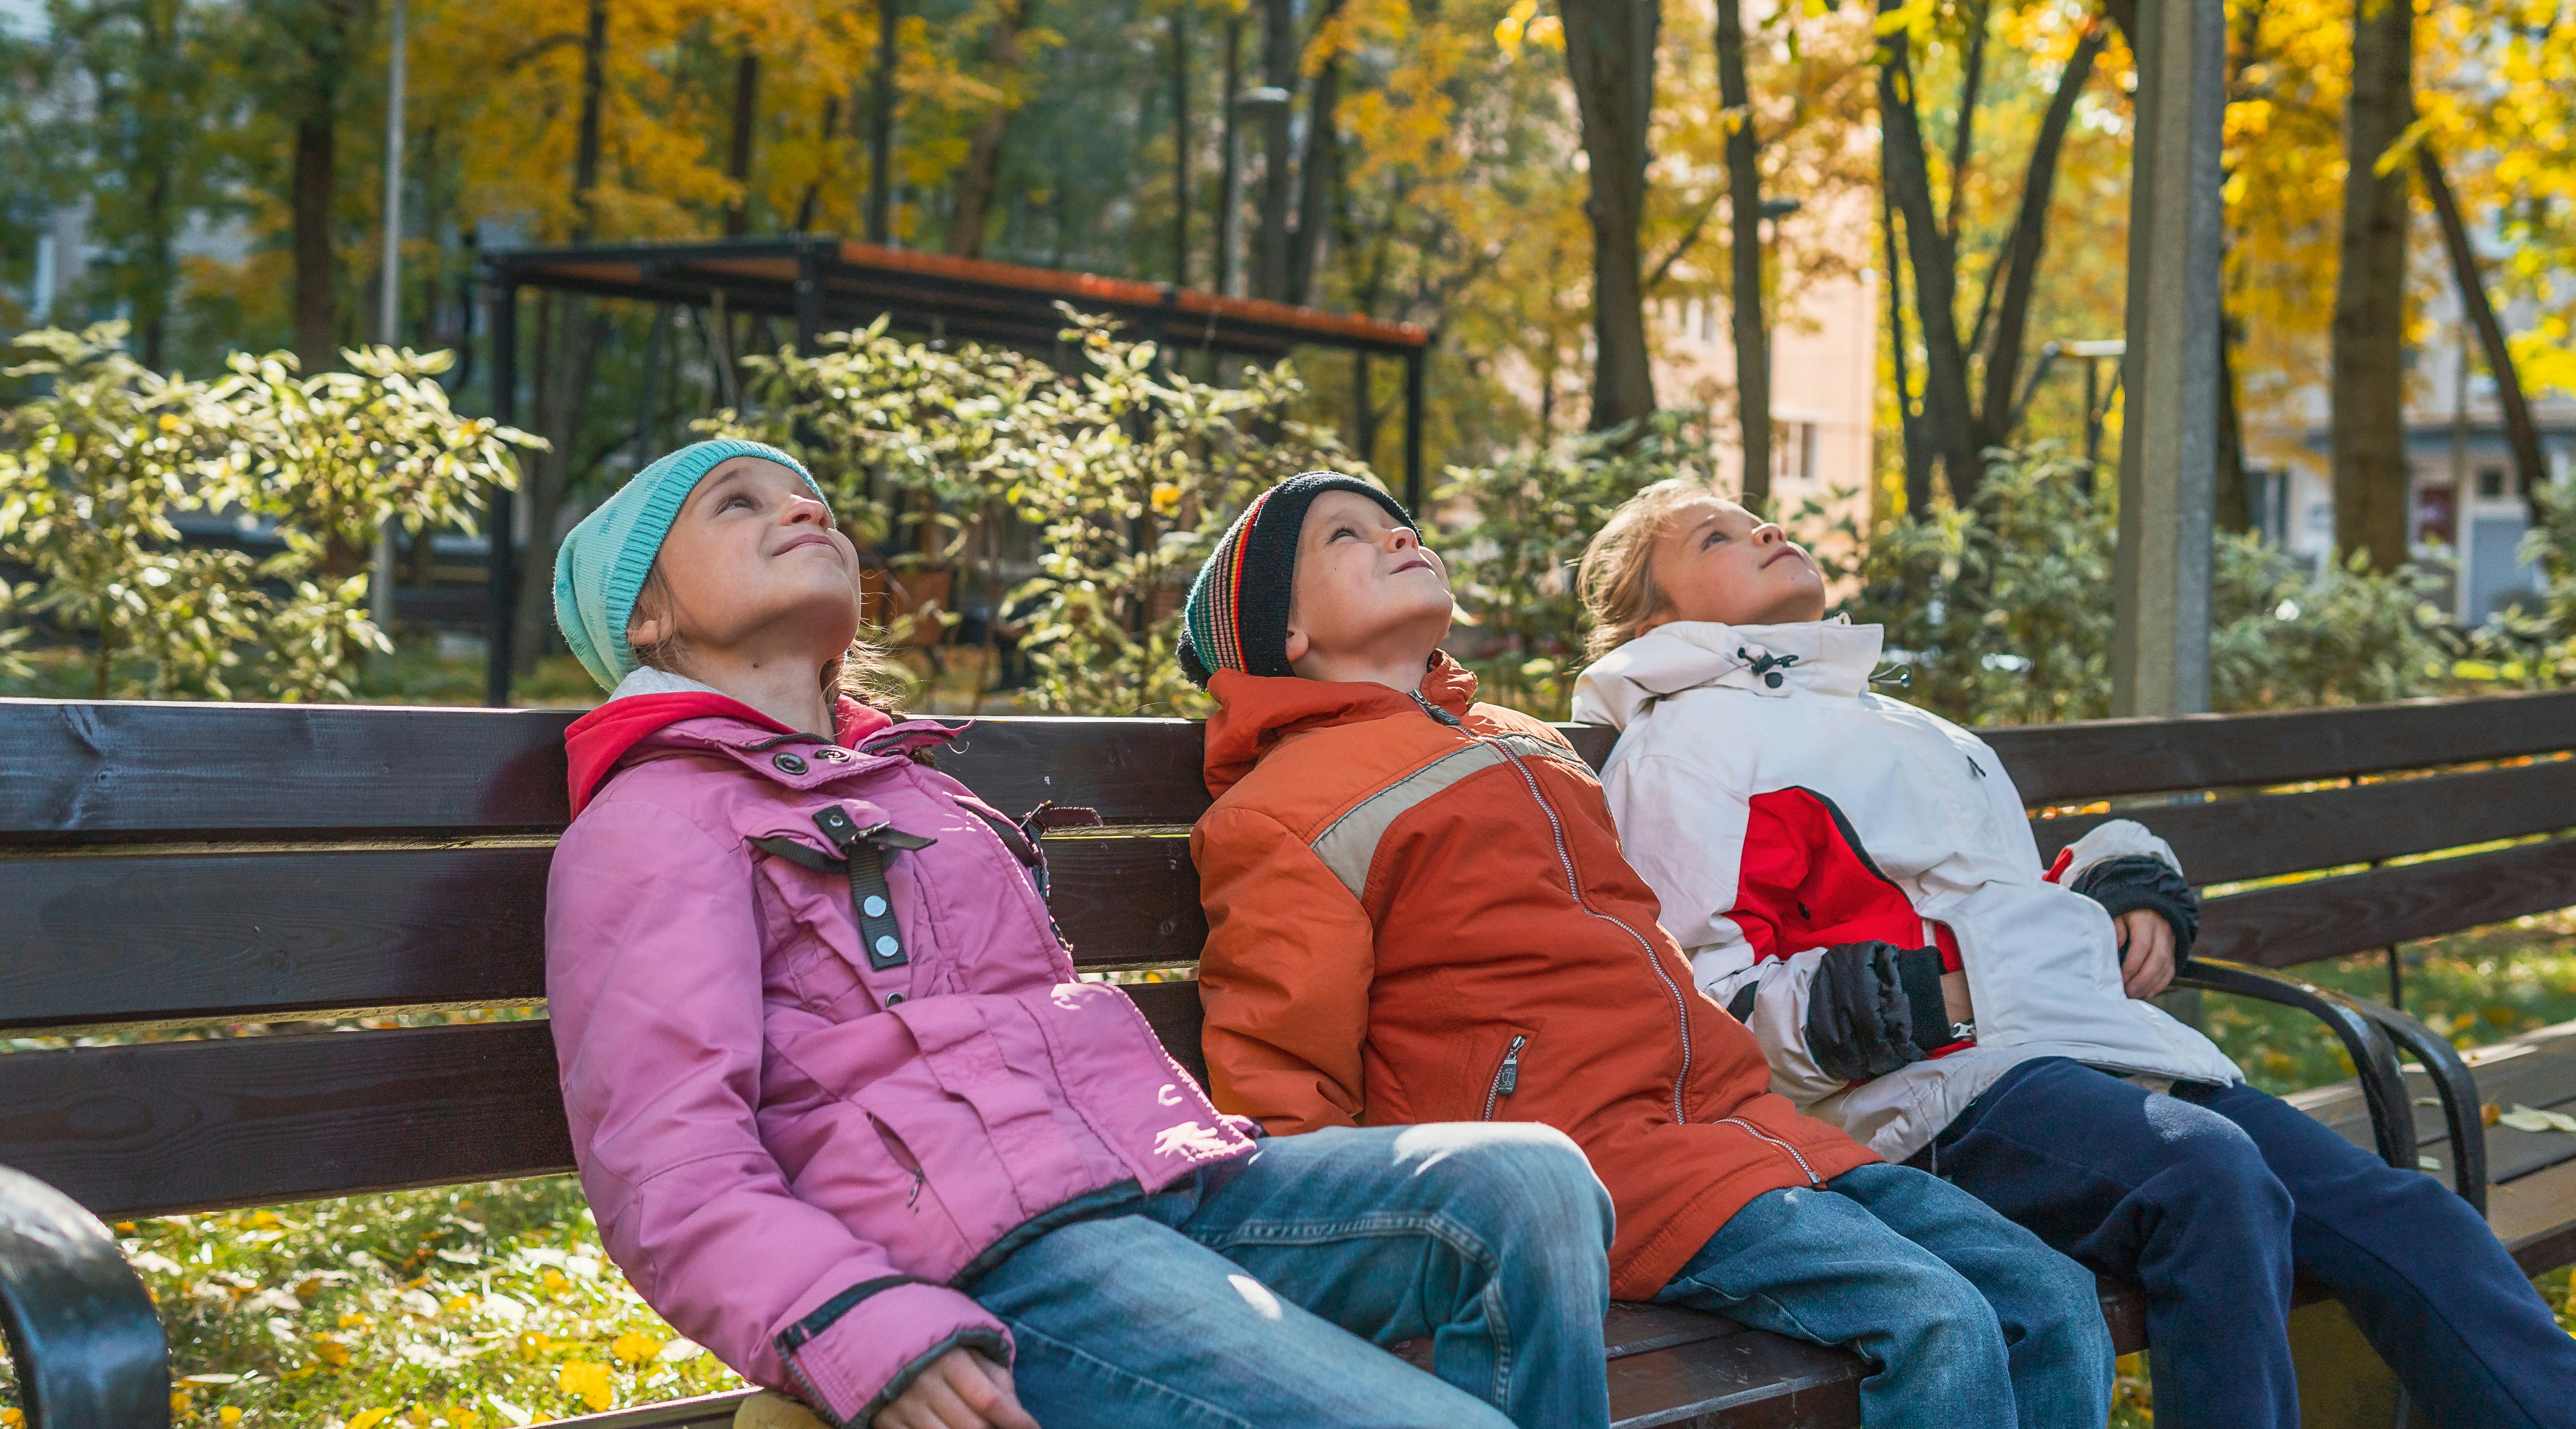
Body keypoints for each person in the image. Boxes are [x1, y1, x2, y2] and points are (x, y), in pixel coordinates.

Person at [543, 440, 1621, 1429]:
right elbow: (668, 1164)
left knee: (1528, 1185)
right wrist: (854, 1323)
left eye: (810, 499)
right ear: (646, 619)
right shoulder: (656, 822)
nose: (799, 509)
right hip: (989, 1262)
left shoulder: (919, 795)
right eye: (738, 504)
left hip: (1161, 1193)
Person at [1570, 476, 2576, 1429]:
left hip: (2080, 1054)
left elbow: (2002, 890)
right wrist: (1927, 1001)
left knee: (2404, 1215)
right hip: (1928, 1098)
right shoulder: (1686, 744)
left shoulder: (1901, 722)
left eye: (1756, 519)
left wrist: (2124, 880)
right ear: (1658, 624)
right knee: (2207, 1178)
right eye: (1717, 537)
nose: (1763, 532)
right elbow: (1700, 990)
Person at [1182, 471, 2113, 1429]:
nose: (1398, 538)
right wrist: (1350, 1268)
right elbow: (1285, 1071)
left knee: (2047, 1297)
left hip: (1737, 1126)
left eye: (1399, 524)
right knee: (1938, 1320)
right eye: (1348, 536)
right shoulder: (1285, 812)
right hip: (1585, 1163)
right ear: (1284, 637)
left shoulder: (1518, 740)